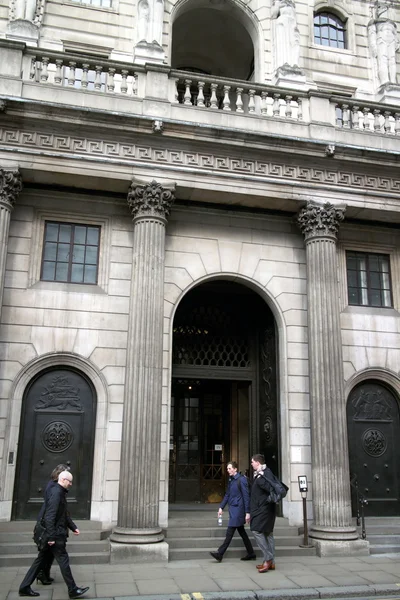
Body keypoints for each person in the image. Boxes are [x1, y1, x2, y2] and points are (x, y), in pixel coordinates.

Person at [19, 471, 89, 599]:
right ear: (63, 479)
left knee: (40, 560)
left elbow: (63, 514)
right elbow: (50, 516)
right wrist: (51, 537)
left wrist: (73, 527)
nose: (71, 484)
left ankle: (24, 586)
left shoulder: (59, 492)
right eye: (70, 481)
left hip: (55, 533)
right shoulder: (57, 493)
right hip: (55, 534)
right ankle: (72, 589)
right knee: (63, 560)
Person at [210, 461, 256, 562]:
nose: (228, 470)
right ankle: (251, 553)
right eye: (227, 469)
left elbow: (246, 497)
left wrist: (248, 512)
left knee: (229, 532)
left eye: (230, 468)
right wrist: (221, 507)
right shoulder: (231, 480)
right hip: (233, 509)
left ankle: (220, 553)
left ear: (235, 469)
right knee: (242, 533)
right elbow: (227, 494)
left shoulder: (242, 480)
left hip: (238, 511)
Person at [36, 464, 70, 586]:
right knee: (47, 553)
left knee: (47, 553)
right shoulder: (55, 488)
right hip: (52, 525)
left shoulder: (54, 486)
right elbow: (52, 511)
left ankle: (43, 574)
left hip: (53, 524)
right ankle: (40, 574)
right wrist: (52, 534)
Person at [250, 454, 277, 573]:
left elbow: (270, 489)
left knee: (256, 530)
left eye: (252, 462)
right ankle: (271, 563)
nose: (251, 464)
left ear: (257, 462)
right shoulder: (261, 473)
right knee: (268, 533)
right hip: (265, 509)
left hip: (265, 509)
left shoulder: (265, 474)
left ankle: (268, 558)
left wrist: (260, 480)